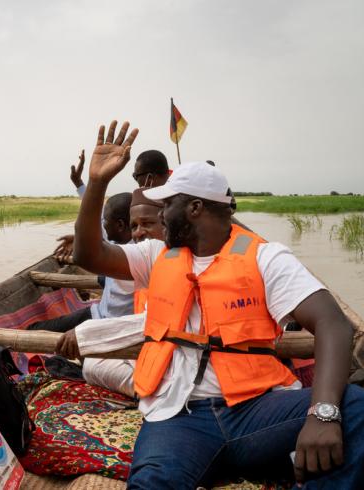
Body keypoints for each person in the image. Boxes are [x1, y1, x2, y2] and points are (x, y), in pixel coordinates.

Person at [72, 119, 364, 488]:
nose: (160, 214)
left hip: (255, 411)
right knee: (152, 483)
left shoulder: (265, 257)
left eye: (167, 205)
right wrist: (96, 183)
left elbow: (333, 325)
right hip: (178, 418)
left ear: (195, 208)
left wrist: (323, 415)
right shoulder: (156, 255)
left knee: (353, 408)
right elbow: (88, 253)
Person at [56, 188, 165, 397]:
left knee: (88, 363)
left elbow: (157, 322)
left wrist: (86, 334)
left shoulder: (161, 255)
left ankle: (152, 390)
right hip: (105, 318)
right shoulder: (144, 251)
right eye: (135, 226)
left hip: (134, 336)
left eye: (147, 224)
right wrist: (89, 183)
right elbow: (94, 242)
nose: (139, 232)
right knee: (89, 363)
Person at [27, 192, 134, 333]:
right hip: (99, 312)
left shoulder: (127, 257)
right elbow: (102, 240)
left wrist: (81, 241)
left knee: (33, 329)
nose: (102, 226)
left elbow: (83, 257)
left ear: (120, 225)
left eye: (105, 221)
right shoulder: (123, 243)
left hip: (103, 322)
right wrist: (80, 238)